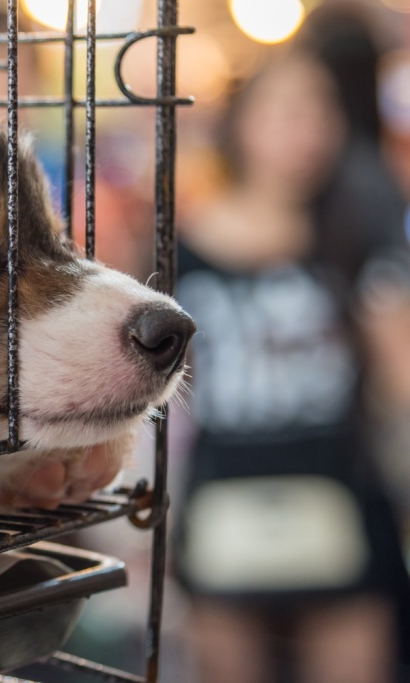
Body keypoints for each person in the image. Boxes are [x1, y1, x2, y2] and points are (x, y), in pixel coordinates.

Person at [173, 43, 410, 683]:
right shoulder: (182, 249)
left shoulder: (358, 234)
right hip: (223, 502)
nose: (308, 131)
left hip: (342, 497)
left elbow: (400, 379)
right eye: (287, 110)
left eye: (321, 110)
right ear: (241, 122)